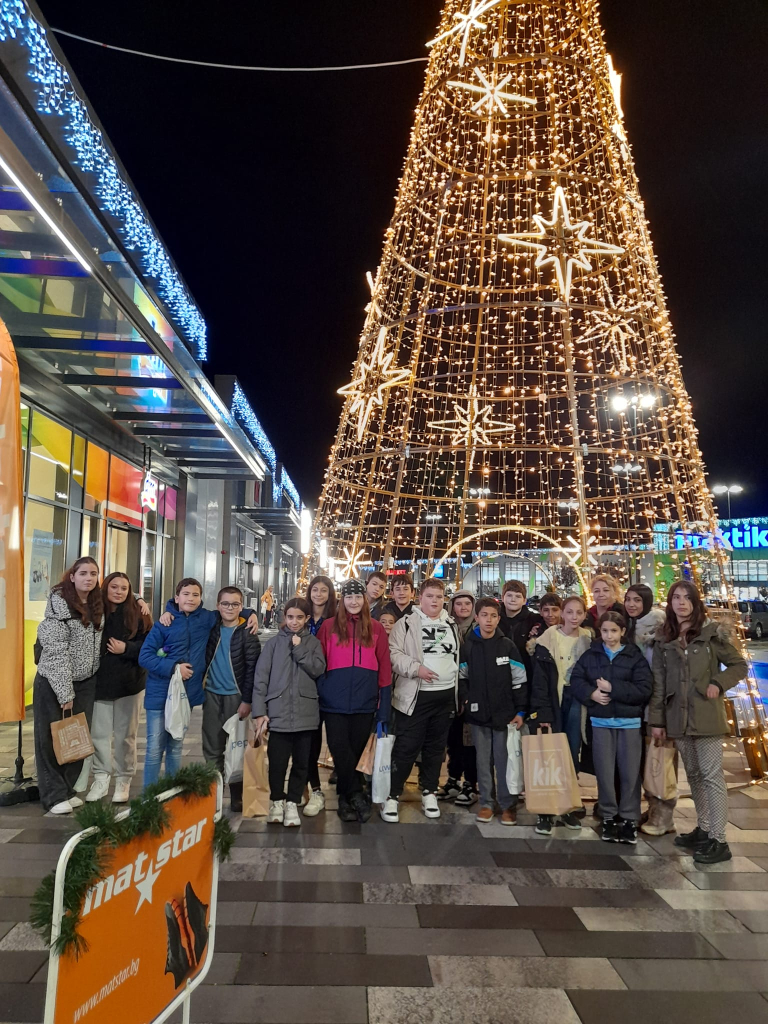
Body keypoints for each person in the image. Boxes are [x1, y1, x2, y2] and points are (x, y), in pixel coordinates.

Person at [650, 580, 746, 865]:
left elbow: (739, 665)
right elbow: (659, 683)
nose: (681, 603)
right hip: (677, 717)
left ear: (695, 602)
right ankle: (703, 829)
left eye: (687, 597)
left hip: (706, 716)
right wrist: (657, 720)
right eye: (676, 597)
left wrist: (718, 682)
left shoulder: (711, 634)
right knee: (693, 774)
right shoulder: (663, 639)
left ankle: (719, 839)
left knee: (711, 775)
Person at [139, 579, 257, 787]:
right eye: (186, 594)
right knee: (155, 748)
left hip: (185, 695)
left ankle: (173, 792)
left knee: (176, 746)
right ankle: (150, 796)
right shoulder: (164, 623)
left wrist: (251, 613)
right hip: (160, 694)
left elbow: (229, 609)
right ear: (177, 598)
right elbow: (145, 657)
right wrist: (174, 667)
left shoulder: (206, 618)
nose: (191, 599)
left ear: (202, 598)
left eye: (195, 595)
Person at [570, 611, 653, 845]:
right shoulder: (592, 655)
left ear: (623, 631)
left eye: (614, 631)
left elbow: (644, 689)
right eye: (605, 631)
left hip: (629, 723)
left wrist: (612, 688)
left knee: (630, 773)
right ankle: (608, 815)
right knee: (605, 772)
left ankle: (629, 818)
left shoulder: (633, 656)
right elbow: (577, 680)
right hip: (601, 722)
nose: (609, 636)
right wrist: (591, 694)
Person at [382, 577, 461, 823]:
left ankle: (429, 791)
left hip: (445, 696)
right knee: (406, 747)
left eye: (439, 597)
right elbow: (393, 654)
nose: (434, 601)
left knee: (435, 749)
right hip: (415, 696)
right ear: (420, 598)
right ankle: (392, 795)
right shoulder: (405, 624)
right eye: (430, 596)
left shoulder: (451, 624)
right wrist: (416, 669)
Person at [317, 580, 392, 822]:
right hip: (334, 702)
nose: (353, 601)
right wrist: (323, 691)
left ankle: (346, 797)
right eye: (349, 597)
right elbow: (318, 663)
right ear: (342, 600)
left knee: (356, 750)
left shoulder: (376, 628)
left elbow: (384, 667)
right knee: (340, 750)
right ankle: (354, 793)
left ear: (364, 599)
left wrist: (384, 705)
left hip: (365, 701)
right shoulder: (328, 626)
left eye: (358, 597)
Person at [33, 557, 103, 814]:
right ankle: (53, 796)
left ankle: (67, 789)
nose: (89, 578)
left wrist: (139, 600)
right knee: (50, 740)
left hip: (85, 682)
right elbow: (56, 655)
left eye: (93, 573)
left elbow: (123, 592)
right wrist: (65, 694)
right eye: (83, 573)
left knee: (77, 738)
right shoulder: (58, 610)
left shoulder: (97, 604)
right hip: (54, 682)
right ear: (72, 577)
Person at [252, 597, 326, 827]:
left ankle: (293, 802)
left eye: (300, 617)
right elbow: (261, 679)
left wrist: (299, 648)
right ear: (285, 617)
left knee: (302, 762)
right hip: (278, 713)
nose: (294, 622)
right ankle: (277, 801)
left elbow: (318, 669)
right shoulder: (273, 644)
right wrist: (259, 711)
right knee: (277, 763)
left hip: (306, 713)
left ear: (306, 619)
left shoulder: (313, 643)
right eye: (291, 617)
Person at [458, 598, 527, 825]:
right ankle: (487, 803)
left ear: (499, 619)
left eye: (493, 616)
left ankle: (508, 805)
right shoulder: (469, 646)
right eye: (484, 615)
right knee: (482, 761)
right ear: (476, 617)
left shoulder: (507, 646)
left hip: (504, 714)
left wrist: (520, 711)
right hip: (478, 714)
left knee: (505, 761)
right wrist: (466, 699)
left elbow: (519, 680)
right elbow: (462, 677)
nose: (489, 620)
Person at [86, 573, 151, 805]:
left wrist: (127, 648)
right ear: (105, 587)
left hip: (130, 684)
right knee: (99, 735)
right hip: (99, 683)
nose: (119, 592)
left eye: (124, 588)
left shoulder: (139, 613)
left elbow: (150, 646)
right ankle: (101, 778)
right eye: (114, 587)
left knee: (126, 736)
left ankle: (124, 778)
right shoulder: (93, 610)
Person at [529, 594, 592, 835]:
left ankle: (567, 806)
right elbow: (540, 680)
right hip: (553, 699)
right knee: (549, 752)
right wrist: (542, 711)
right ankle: (545, 810)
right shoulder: (547, 639)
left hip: (577, 699)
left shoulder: (588, 639)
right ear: (562, 613)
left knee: (571, 752)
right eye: (569, 612)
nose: (574, 617)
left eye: (579, 613)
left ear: (585, 615)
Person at [202, 586, 262, 813]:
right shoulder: (211, 628)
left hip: (237, 698)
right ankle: (213, 794)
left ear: (241, 606)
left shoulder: (248, 632)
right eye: (225, 603)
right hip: (212, 695)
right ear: (218, 605)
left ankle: (237, 795)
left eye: (235, 604)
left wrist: (247, 700)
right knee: (212, 747)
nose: (230, 608)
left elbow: (253, 670)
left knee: (238, 748)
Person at [623, 584, 673, 837]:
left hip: (658, 705)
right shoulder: (630, 626)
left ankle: (664, 814)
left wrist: (659, 712)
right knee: (648, 760)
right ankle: (653, 809)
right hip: (638, 704)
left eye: (637, 600)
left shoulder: (659, 629)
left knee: (661, 761)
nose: (631, 604)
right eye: (628, 599)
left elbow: (661, 674)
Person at [438, 590, 478, 804]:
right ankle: (453, 779)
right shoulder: (446, 626)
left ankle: (471, 782)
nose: (463, 608)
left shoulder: (478, 629)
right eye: (459, 603)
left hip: (471, 691)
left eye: (467, 604)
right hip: (449, 689)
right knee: (452, 739)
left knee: (469, 740)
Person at [304, 575, 338, 816]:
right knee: (310, 741)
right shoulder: (301, 616)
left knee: (337, 739)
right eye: (314, 589)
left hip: (332, 684)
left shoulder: (337, 618)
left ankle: (344, 784)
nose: (318, 594)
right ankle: (312, 788)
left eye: (323, 590)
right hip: (306, 687)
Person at [498, 580, 544, 680]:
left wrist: (539, 627)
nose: (513, 599)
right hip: (499, 673)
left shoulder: (534, 620)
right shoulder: (494, 619)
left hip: (526, 674)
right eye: (509, 595)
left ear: (524, 600)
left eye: (518, 596)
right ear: (502, 597)